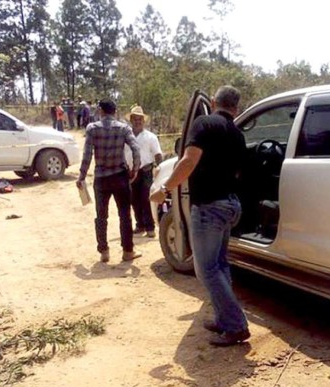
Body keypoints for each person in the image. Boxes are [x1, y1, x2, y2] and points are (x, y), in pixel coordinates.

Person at [150, 86, 249, 346]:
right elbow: (238, 173)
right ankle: (223, 318)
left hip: (209, 208)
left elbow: (188, 161)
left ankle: (236, 325)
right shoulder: (238, 135)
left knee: (205, 269)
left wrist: (165, 189)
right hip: (230, 206)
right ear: (236, 108)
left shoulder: (203, 123)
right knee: (219, 264)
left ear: (214, 102)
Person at [76, 98, 142, 263]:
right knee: (125, 215)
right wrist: (135, 169)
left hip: (101, 178)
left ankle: (104, 251)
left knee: (101, 216)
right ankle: (127, 251)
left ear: (101, 110)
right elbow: (136, 148)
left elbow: (87, 155)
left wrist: (82, 176)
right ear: (115, 111)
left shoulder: (92, 129)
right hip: (120, 176)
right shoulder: (123, 128)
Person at [125, 105, 163, 238]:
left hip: (146, 171)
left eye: (140, 119)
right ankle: (139, 225)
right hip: (130, 172)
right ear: (131, 120)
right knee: (133, 200)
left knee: (146, 199)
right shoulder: (126, 136)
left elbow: (158, 155)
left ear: (143, 121)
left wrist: (161, 170)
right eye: (135, 119)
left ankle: (150, 227)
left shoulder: (151, 137)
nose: (137, 121)